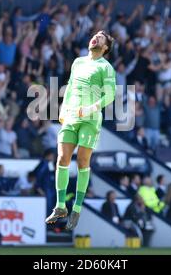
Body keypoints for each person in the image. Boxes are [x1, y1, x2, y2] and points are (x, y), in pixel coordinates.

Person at [45, 31, 116, 231]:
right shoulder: (78, 62)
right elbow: (69, 87)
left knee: (83, 161)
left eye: (100, 39)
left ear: (105, 48)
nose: (95, 38)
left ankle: (76, 208)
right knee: (61, 159)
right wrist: (62, 109)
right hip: (71, 116)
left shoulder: (106, 67)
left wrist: (92, 108)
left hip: (90, 119)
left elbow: (110, 95)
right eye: (95, 36)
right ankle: (60, 207)